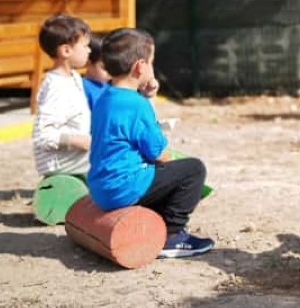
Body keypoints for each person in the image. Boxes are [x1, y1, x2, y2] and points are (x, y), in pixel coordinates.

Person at [88, 28, 215, 258]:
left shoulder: (104, 98)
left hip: (100, 188)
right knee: (193, 169)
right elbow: (159, 154)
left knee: (160, 173)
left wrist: (146, 96)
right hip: (124, 187)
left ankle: (158, 218)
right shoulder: (136, 104)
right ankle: (172, 235)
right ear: (140, 67)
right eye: (151, 62)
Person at [32, 14, 93, 178]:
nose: (89, 50)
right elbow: (43, 136)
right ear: (66, 50)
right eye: (85, 46)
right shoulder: (56, 86)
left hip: (73, 157)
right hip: (60, 162)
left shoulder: (74, 77)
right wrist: (78, 141)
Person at [82, 35, 111, 110]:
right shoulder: (82, 88)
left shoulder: (108, 87)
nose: (110, 72)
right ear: (88, 63)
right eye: (104, 68)